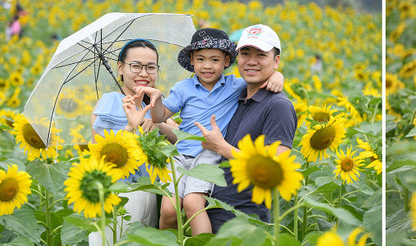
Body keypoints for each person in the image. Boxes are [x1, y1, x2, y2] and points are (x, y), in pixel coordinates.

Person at [135, 28, 284, 236]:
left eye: (215, 60)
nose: (207, 65)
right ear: (192, 61)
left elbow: (259, 77)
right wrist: (157, 99)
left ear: (226, 61)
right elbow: (159, 116)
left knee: (193, 204)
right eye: (201, 59)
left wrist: (277, 75)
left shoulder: (235, 85)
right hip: (179, 155)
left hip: (209, 154)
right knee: (168, 209)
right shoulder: (183, 88)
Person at [197, 24, 297, 233]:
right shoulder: (236, 96)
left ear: (276, 61)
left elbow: (274, 167)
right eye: (245, 53)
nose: (251, 61)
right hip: (213, 212)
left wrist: (222, 148)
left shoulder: (277, 106)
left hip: (244, 221)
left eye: (261, 55)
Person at [90, 39, 179, 246]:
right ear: (121, 68)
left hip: (151, 195)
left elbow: (182, 139)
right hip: (118, 196)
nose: (144, 73)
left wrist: (158, 124)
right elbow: (102, 155)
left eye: (151, 67)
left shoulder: (154, 105)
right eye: (136, 66)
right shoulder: (109, 102)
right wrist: (130, 127)